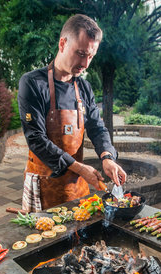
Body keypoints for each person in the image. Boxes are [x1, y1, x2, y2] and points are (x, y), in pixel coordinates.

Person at [18, 13, 127, 211]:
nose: (85, 64)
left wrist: (107, 157)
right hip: (44, 186)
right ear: (62, 44)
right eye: (81, 53)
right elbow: (36, 139)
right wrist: (79, 167)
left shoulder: (84, 88)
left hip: (77, 186)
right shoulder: (33, 83)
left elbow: (97, 128)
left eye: (91, 56)